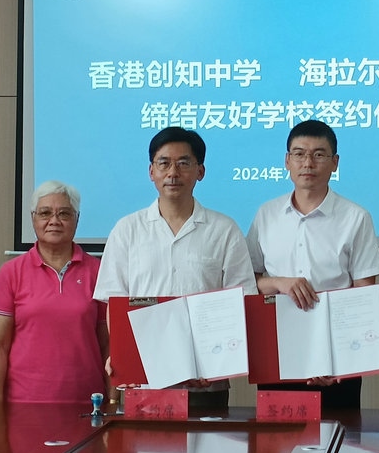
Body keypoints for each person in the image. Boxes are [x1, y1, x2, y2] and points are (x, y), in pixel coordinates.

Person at [92, 126, 257, 408]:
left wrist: (217, 365)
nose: (173, 173)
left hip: (207, 381)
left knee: (211, 439)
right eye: (164, 163)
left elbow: (241, 301)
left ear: (200, 171)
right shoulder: (127, 230)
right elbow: (114, 303)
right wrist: (123, 357)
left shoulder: (224, 230)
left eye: (183, 163)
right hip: (144, 381)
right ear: (151, 171)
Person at [246, 119, 379, 408]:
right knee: (278, 434)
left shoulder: (355, 218)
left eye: (319, 154)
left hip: (336, 359)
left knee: (341, 433)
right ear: (287, 161)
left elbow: (364, 297)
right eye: (299, 154)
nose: (308, 162)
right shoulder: (266, 215)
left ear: (335, 163)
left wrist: (342, 361)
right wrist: (279, 283)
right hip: (278, 350)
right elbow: (248, 283)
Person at [0, 181, 108, 403]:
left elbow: (108, 345)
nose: (54, 221)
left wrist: (113, 402)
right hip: (24, 403)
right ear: (33, 218)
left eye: (64, 213)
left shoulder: (98, 271)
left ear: (77, 219)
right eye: (45, 213)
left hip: (87, 403)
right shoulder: (11, 272)